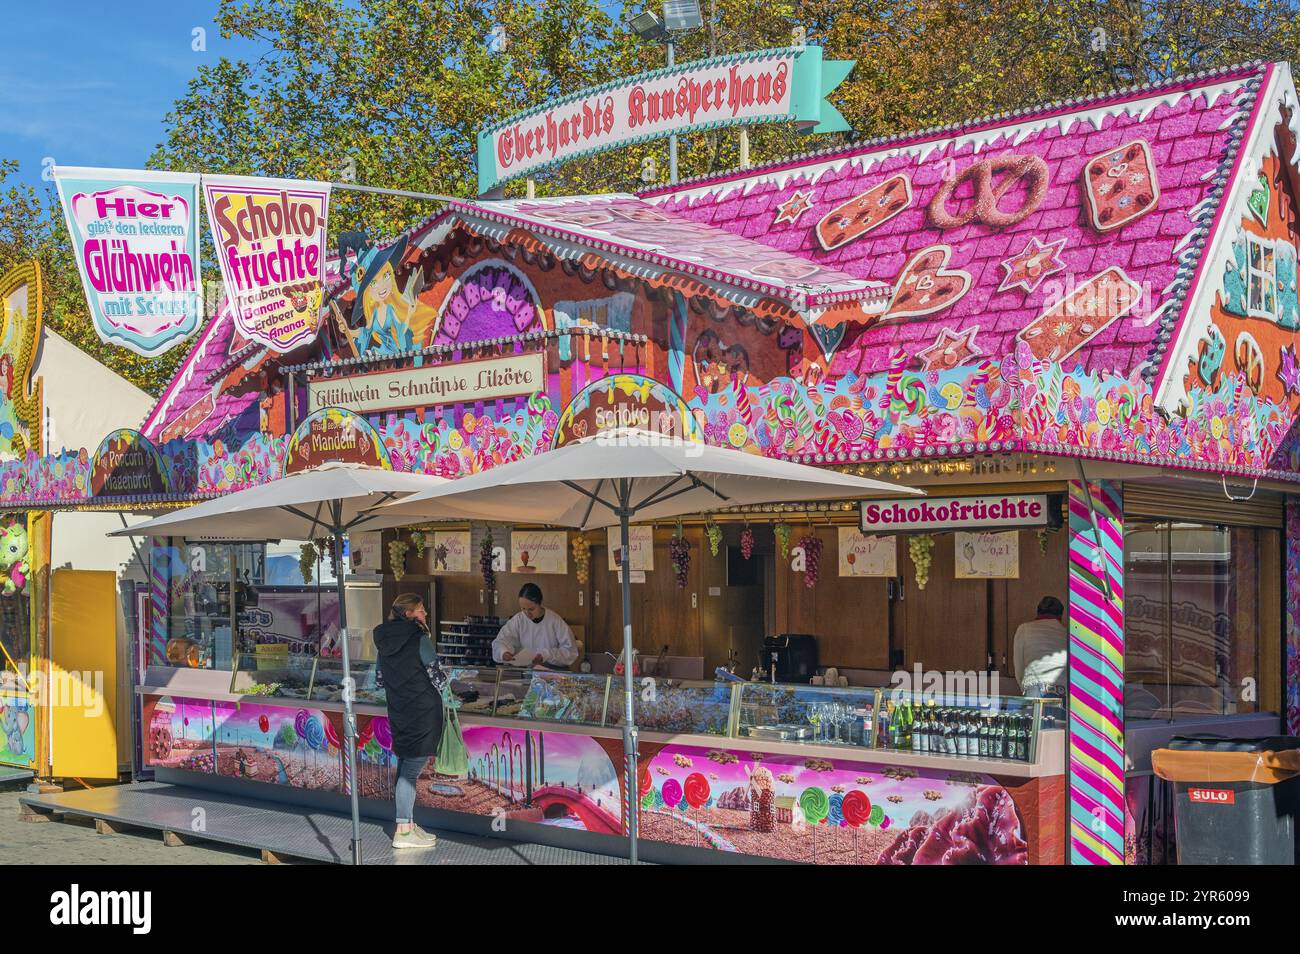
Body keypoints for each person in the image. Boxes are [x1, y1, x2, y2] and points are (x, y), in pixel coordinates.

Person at [373, 594, 443, 850]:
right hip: (423, 712)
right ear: (410, 614)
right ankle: (403, 830)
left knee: (406, 765)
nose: (425, 614)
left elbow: (379, 680)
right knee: (410, 772)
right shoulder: (419, 639)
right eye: (422, 610)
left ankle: (410, 825)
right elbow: (438, 678)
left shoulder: (383, 640)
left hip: (399, 710)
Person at [492, 583, 579, 669]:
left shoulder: (555, 621)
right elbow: (501, 641)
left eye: (531, 609)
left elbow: (570, 651)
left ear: (540, 603)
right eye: (523, 608)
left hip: (552, 671)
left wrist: (546, 655)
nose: (527, 613)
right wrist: (503, 652)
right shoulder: (518, 620)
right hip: (526, 670)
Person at [1013, 596, 1068, 706]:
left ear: (1038, 612)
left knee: (1036, 723)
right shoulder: (1065, 633)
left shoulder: (1024, 629)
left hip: (1035, 687)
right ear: (1060, 616)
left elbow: (1018, 665)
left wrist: (1024, 687)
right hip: (1062, 689)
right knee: (1058, 723)